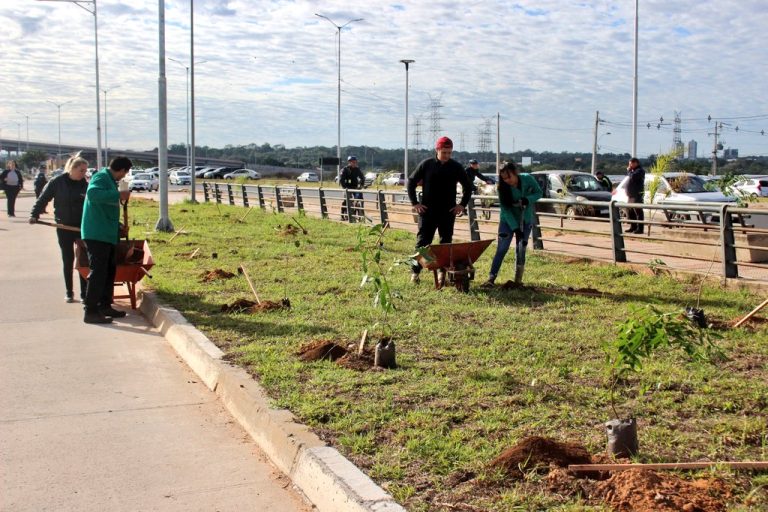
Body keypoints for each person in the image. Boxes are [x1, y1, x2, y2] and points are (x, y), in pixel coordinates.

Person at [407, 136, 472, 284]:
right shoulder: (426, 164)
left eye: (449, 153)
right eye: (444, 152)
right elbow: (411, 181)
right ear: (437, 150)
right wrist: (415, 203)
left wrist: (462, 204)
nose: (447, 156)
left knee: (445, 244)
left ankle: (443, 274)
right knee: (423, 243)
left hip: (447, 212)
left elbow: (467, 186)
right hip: (427, 211)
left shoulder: (456, 167)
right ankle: (415, 273)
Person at [29, 155, 90, 303]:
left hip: (81, 227)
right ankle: (69, 292)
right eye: (82, 170)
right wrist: (34, 214)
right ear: (73, 169)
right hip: (63, 226)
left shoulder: (85, 184)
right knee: (67, 259)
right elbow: (43, 199)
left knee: (83, 260)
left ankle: (84, 293)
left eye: (85, 171)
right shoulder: (57, 182)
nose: (84, 174)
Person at [80, 156, 132, 324]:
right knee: (98, 272)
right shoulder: (101, 177)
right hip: (96, 234)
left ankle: (104, 305)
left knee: (109, 271)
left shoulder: (109, 180)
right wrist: (118, 194)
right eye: (124, 174)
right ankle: (91, 310)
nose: (123, 177)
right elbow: (93, 194)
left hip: (106, 234)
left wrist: (117, 226)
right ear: (122, 170)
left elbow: (103, 209)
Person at [482, 161, 543, 288]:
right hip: (507, 221)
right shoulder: (502, 188)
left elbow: (539, 192)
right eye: (504, 178)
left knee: (521, 249)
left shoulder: (527, 179)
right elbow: (506, 209)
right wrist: (515, 228)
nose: (507, 180)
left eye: (509, 177)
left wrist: (528, 199)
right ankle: (491, 278)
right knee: (502, 249)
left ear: (515, 172)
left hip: (525, 220)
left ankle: (518, 280)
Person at [339, 155, 365, 220]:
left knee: (359, 198)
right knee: (346, 200)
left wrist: (361, 185)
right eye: (352, 162)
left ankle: (360, 214)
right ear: (349, 162)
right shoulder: (345, 169)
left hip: (355, 187)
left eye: (355, 162)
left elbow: (362, 177)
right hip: (347, 187)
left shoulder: (357, 169)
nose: (354, 163)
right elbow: (341, 180)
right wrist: (345, 188)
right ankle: (342, 215)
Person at [624, 157, 645, 234]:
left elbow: (633, 177)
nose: (629, 166)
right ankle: (633, 227)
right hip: (631, 195)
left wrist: (629, 171)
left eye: (631, 164)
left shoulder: (640, 171)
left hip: (637, 195)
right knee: (630, 211)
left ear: (636, 163)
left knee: (638, 212)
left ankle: (640, 229)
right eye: (629, 164)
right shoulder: (632, 171)